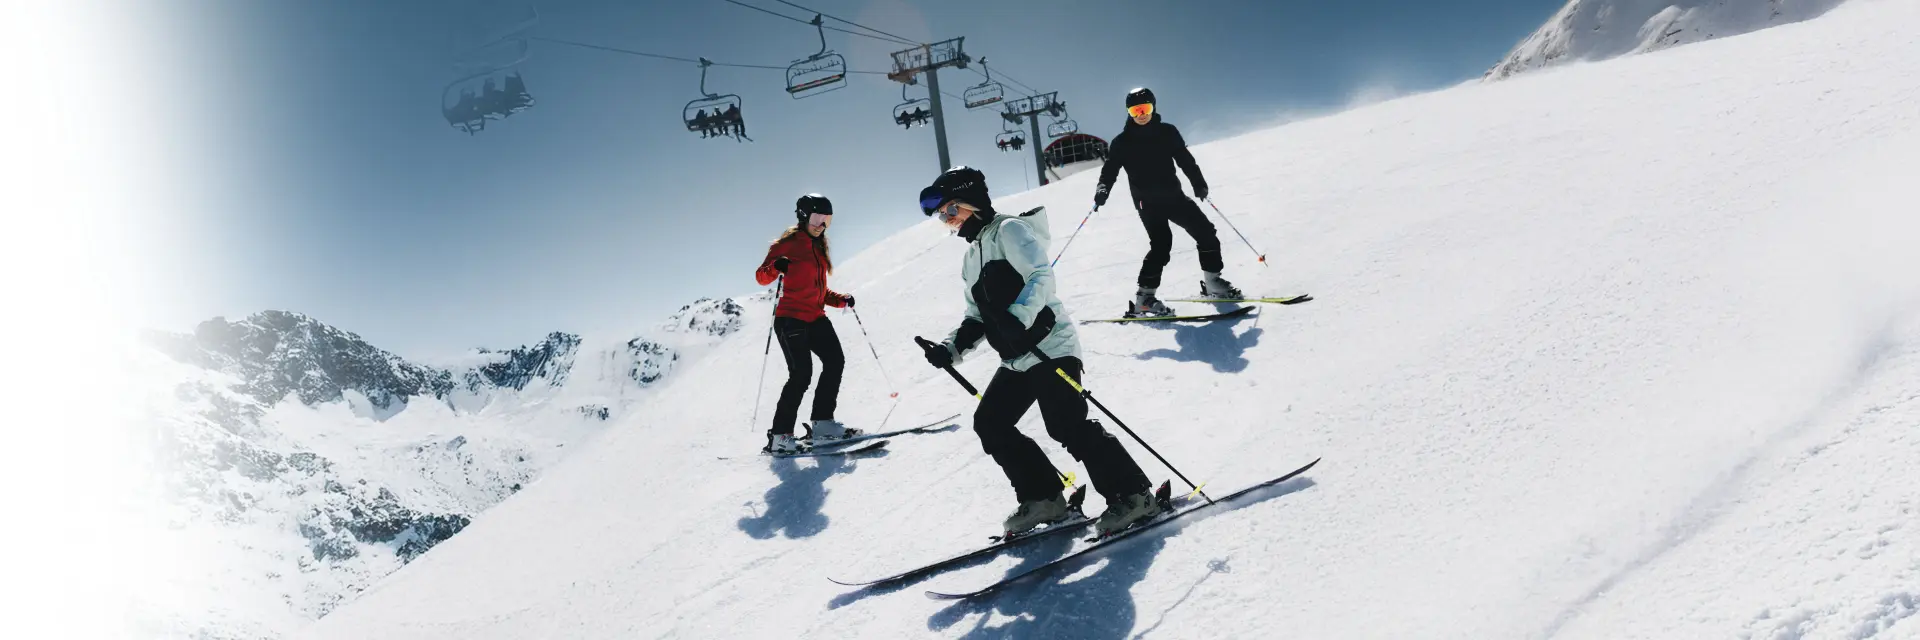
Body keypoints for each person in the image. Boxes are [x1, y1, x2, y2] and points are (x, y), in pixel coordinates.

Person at [914, 166, 1161, 538]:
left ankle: (1134, 495)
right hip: (1016, 359)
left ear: (972, 201)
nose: (948, 222)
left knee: (1065, 424)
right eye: (942, 217)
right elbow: (975, 317)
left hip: (1050, 346)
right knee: (991, 423)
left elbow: (1040, 277)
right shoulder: (970, 257)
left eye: (951, 211)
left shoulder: (1009, 230)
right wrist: (949, 350)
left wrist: (1019, 316)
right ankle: (1045, 498)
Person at [1093, 87, 1243, 318]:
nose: (1141, 114)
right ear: (1129, 113)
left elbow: (1185, 160)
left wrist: (1198, 183)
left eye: (1146, 108)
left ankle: (1213, 284)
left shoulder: (1167, 132)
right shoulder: (1121, 142)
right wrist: (1103, 189)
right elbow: (1110, 169)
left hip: (1174, 197)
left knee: (1206, 232)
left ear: (1154, 107)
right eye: (1135, 110)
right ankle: (1144, 299)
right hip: (1147, 203)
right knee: (1162, 245)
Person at [754, 194, 861, 454]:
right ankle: (780, 437)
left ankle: (823, 423)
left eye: (827, 220)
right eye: (817, 218)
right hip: (791, 319)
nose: (821, 225)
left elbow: (818, 291)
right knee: (801, 374)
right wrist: (775, 267)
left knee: (835, 361)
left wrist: (841, 300)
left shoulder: (819, 247)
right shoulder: (788, 244)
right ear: (803, 217)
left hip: (815, 317)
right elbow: (761, 276)